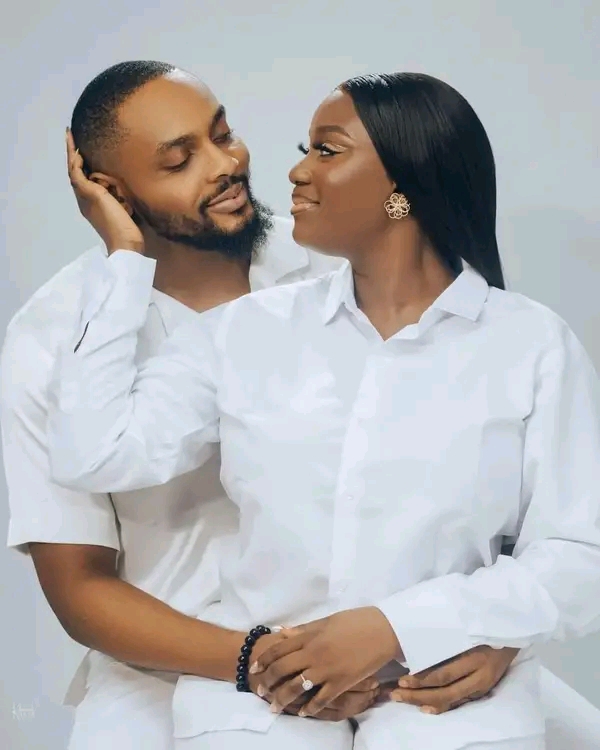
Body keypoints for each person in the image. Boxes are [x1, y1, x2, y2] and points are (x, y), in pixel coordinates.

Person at [43, 71, 600, 749]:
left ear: (402, 187)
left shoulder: (532, 345)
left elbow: (579, 554)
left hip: (444, 684)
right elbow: (94, 454)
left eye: (327, 150)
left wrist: (403, 627)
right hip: (264, 684)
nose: (296, 171)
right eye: (304, 148)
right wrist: (125, 257)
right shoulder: (244, 331)